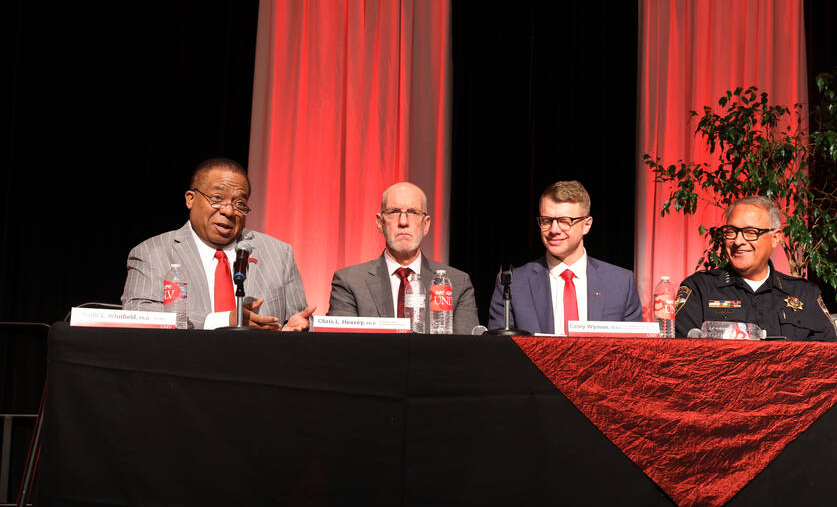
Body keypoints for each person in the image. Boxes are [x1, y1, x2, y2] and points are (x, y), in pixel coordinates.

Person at [122, 158, 315, 330]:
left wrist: (295, 331)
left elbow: (299, 320)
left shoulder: (279, 254)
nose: (229, 211)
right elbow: (140, 315)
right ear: (190, 199)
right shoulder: (151, 252)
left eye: (240, 203)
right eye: (217, 199)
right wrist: (224, 320)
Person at [674, 196, 837, 341]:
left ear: (775, 238)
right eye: (731, 232)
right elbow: (684, 359)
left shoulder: (804, 294)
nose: (738, 241)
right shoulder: (699, 290)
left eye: (750, 232)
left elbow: (828, 359)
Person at [487, 180, 641, 333]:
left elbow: (634, 351)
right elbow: (499, 351)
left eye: (564, 221)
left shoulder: (620, 283)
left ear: (587, 225)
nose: (554, 229)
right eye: (546, 221)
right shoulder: (513, 282)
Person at [327, 182, 479, 334]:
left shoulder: (457, 283)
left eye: (413, 212)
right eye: (394, 212)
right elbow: (342, 349)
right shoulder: (349, 282)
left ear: (426, 225)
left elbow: (466, 352)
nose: (403, 222)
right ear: (380, 222)